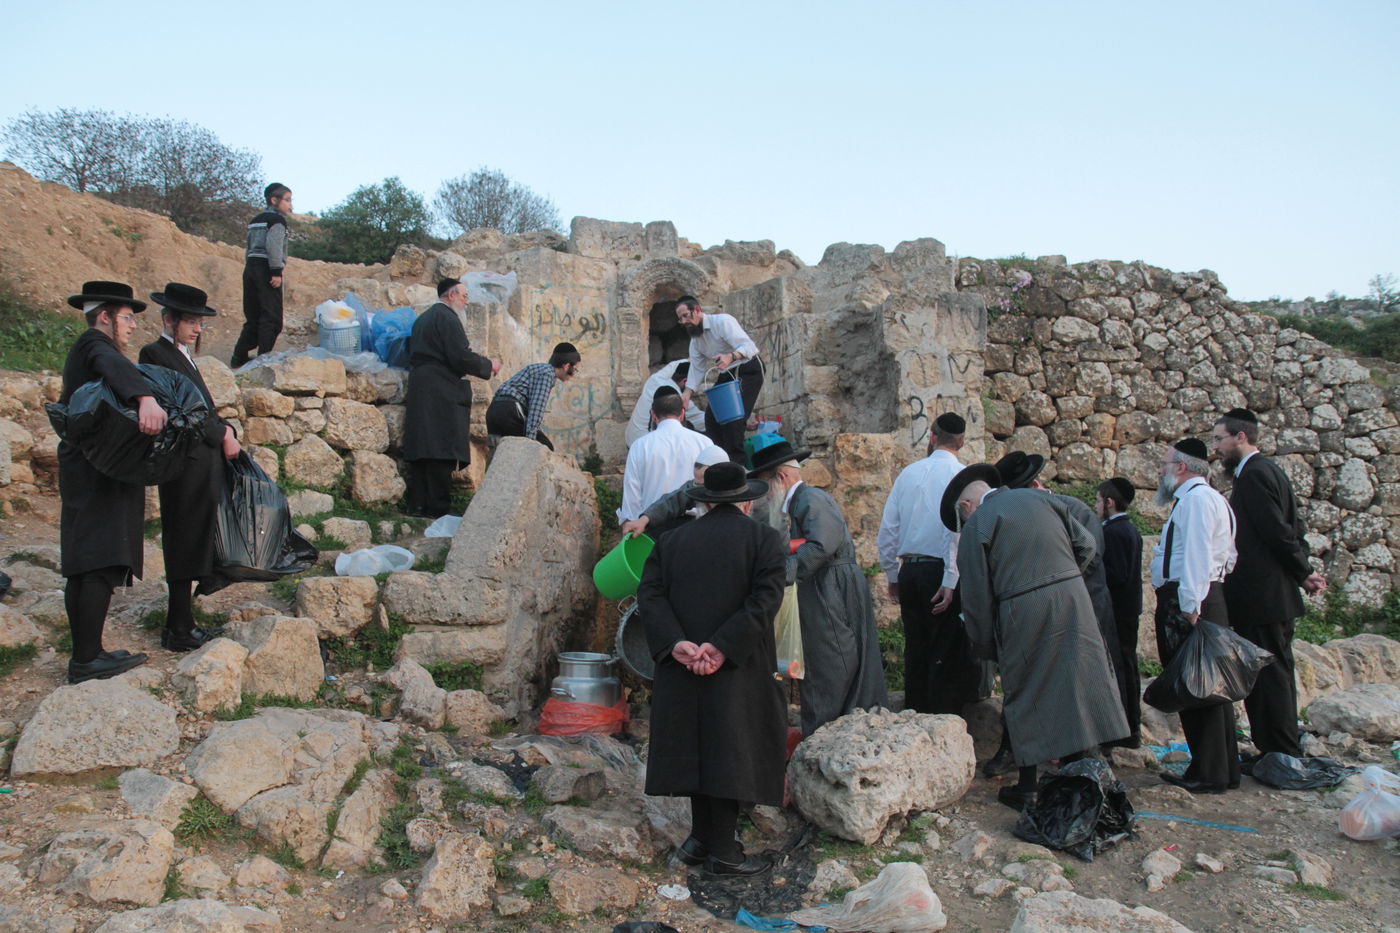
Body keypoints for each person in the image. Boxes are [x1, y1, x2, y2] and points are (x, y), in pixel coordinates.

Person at [942, 464, 1129, 811]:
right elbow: (1087, 547)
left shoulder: (978, 525)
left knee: (1025, 693)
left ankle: (1027, 788)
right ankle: (1083, 781)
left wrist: (984, 644)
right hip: (1075, 601)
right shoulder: (1045, 500)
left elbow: (977, 597)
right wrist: (1066, 578)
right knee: (1080, 683)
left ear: (966, 506)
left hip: (1022, 612)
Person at [637, 461, 788, 875]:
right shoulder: (766, 540)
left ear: (703, 503)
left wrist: (676, 644)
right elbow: (764, 601)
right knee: (730, 747)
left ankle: (701, 838)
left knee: (696, 743)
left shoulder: (671, 541)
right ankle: (723, 851)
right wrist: (721, 648)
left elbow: (649, 596)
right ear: (745, 501)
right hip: (738, 664)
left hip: (683, 663)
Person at [981, 450, 1130, 769]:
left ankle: (1085, 754)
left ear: (1035, 486)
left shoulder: (1069, 509)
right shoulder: (1025, 514)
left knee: (1077, 678)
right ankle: (1024, 750)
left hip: (1082, 603)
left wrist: (1056, 586)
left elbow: (1090, 554)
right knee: (1032, 678)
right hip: (1053, 603)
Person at [58, 281, 163, 683]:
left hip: (91, 465)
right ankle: (86, 660)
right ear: (104, 317)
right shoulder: (93, 344)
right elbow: (113, 363)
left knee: (88, 561)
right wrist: (144, 398)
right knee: (98, 559)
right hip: (94, 469)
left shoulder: (90, 349)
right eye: (126, 318)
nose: (132, 327)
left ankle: (89, 652)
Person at [749, 438, 887, 735]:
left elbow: (821, 545)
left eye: (765, 484)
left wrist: (781, 574)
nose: (764, 495)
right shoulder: (799, 502)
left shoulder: (811, 499)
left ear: (781, 477)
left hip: (830, 589)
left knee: (830, 663)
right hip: (822, 587)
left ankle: (830, 736)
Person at [1214, 408, 1324, 758]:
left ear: (1240, 437)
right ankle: (1277, 747)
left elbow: (1277, 532)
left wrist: (1303, 572)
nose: (1216, 447)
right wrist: (1300, 570)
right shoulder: (1268, 471)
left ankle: (1279, 751)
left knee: (1271, 676)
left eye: (1220, 439)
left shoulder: (1255, 476)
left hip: (1263, 598)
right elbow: (1296, 527)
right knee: (1272, 673)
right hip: (1270, 595)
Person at [138, 283, 241, 650]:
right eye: (192, 322)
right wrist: (223, 433)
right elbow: (186, 411)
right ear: (169, 319)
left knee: (196, 534)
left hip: (200, 459)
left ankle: (182, 621)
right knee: (184, 537)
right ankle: (178, 628)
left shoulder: (179, 353)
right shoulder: (155, 353)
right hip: (185, 461)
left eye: (201, 323)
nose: (198, 329)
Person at [1150, 438, 1240, 793]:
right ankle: (1219, 767)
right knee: (1210, 686)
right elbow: (1228, 556)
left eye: (1165, 463)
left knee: (1197, 687)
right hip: (1204, 595)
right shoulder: (1207, 499)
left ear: (1182, 467)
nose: (1160, 470)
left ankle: (1210, 772)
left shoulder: (1198, 502)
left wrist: (1189, 604)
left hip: (1191, 601)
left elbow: (1198, 556)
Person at [875, 412, 978, 714]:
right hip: (942, 571)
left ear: (932, 438)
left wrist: (892, 574)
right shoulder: (964, 477)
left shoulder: (909, 473)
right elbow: (956, 531)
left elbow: (888, 530)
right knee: (944, 649)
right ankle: (942, 722)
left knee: (916, 649)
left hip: (911, 571)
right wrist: (950, 579)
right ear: (962, 442)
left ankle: (914, 716)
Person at [402, 278, 500, 517]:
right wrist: (489, 365)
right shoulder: (447, 318)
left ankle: (418, 505)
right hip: (441, 390)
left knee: (423, 446)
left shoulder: (423, 319)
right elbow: (460, 356)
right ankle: (438, 509)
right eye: (465, 296)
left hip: (421, 386)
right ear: (452, 295)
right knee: (440, 446)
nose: (467, 303)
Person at [676, 296, 762, 461]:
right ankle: (720, 462)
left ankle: (738, 466)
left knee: (734, 419)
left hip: (748, 369)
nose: (683, 321)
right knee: (712, 420)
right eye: (680, 319)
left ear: (697, 310)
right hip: (727, 374)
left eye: (686, 315)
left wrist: (732, 356)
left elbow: (750, 347)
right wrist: (686, 394)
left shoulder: (722, 322)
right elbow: (696, 368)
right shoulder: (695, 341)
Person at [617, 387, 712, 525]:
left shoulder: (640, 446)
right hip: (697, 524)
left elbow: (632, 499)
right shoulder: (704, 442)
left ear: (653, 415)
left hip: (654, 524)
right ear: (682, 414)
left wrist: (632, 523)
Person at [1097, 477, 1145, 748]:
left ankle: (1125, 729)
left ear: (1109, 502)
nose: (1096, 505)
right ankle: (1130, 726)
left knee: (1120, 665)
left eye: (1097, 500)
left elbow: (1116, 574)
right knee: (1127, 664)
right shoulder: (1129, 529)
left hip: (1118, 610)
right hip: (1128, 609)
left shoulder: (1114, 533)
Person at [231, 183, 293, 367]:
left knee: (253, 317)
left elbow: (249, 246)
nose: (290, 204)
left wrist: (251, 268)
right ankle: (263, 360)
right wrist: (276, 271)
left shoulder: (255, 220)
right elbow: (273, 246)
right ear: (274, 200)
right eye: (287, 200)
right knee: (271, 318)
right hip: (267, 268)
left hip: (250, 268)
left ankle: (238, 357)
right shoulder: (277, 221)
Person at [485, 343, 581, 451]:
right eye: (575, 369)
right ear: (566, 366)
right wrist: (530, 443)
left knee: (502, 453)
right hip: (509, 411)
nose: (575, 373)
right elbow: (536, 409)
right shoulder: (547, 374)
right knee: (545, 447)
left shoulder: (539, 369)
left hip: (493, 412)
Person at [620, 445, 731, 539]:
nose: (698, 487)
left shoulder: (740, 497)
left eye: (703, 484)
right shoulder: (694, 486)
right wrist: (644, 519)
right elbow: (673, 501)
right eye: (697, 483)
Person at [624, 359, 705, 445]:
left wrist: (696, 359)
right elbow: (701, 422)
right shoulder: (676, 397)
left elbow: (673, 365)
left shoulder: (656, 378)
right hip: (646, 446)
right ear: (685, 381)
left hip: (630, 440)